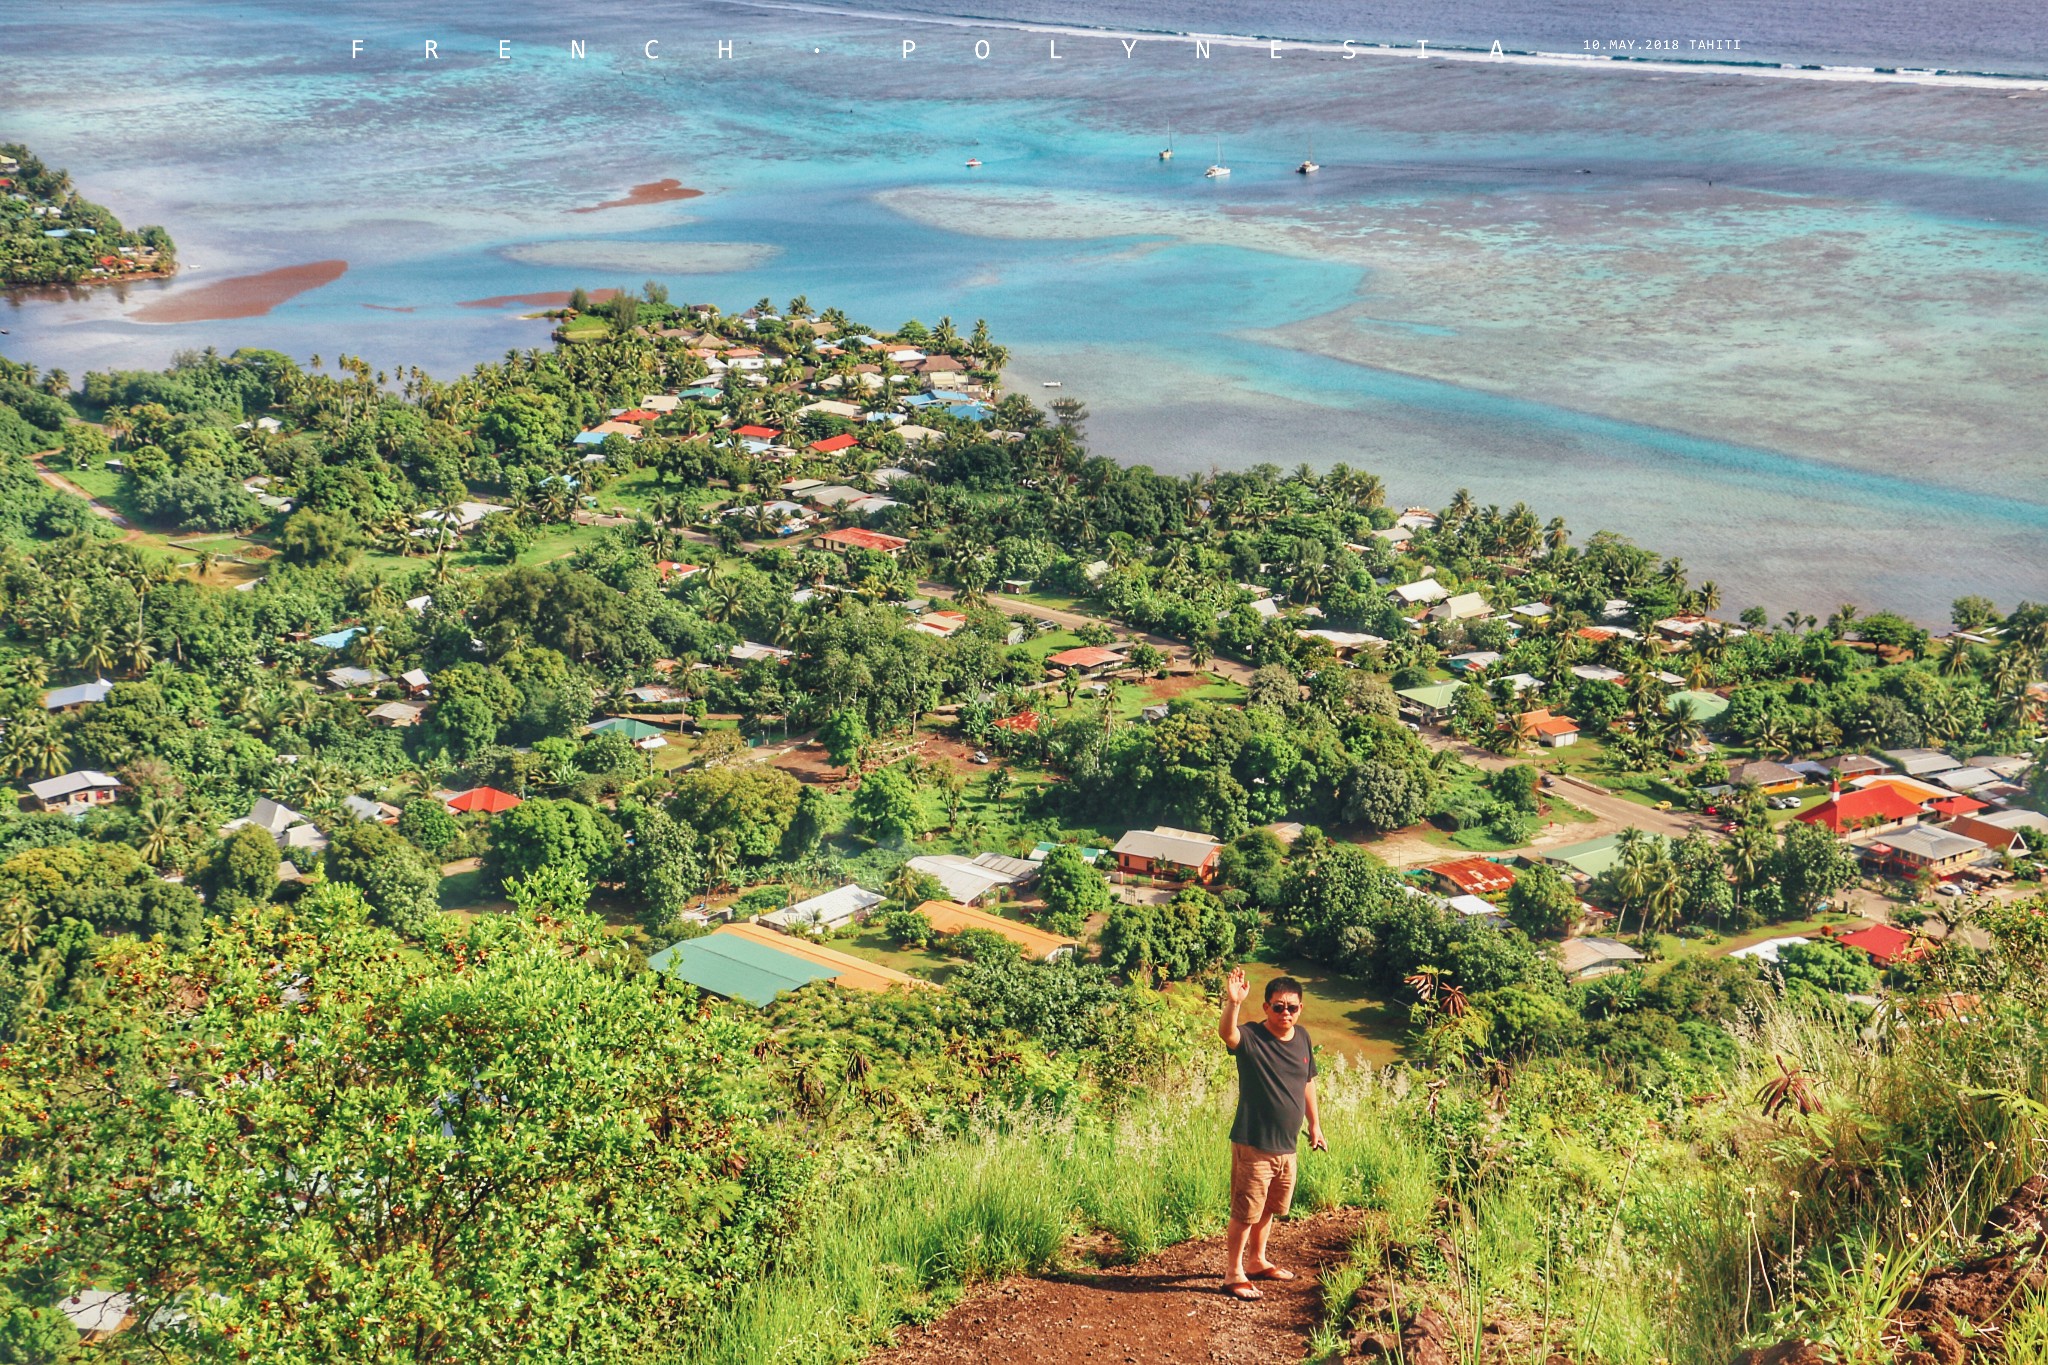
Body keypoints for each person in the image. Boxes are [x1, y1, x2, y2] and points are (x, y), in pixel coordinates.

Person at [1216, 966, 1324, 1301]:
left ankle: (1258, 1260)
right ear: (1266, 1007)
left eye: (1292, 1007)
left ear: (1300, 1009)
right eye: (1278, 1006)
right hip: (1254, 1144)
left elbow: (1307, 1082)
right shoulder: (1251, 1037)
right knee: (1245, 1211)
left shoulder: (1303, 1037)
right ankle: (1234, 1272)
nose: (1285, 1013)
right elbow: (1227, 1034)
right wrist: (1233, 1003)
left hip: (1286, 1147)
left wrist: (1315, 1125)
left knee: (1269, 1209)